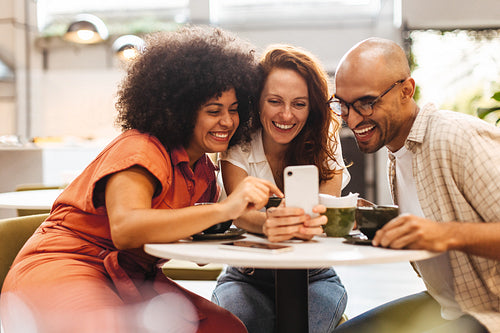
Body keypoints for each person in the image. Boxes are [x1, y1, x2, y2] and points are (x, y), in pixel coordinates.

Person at [0, 26, 283, 333]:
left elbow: (206, 238)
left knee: (226, 327)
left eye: (234, 110)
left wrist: (270, 224)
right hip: (67, 266)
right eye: (214, 110)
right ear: (181, 111)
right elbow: (126, 229)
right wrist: (225, 208)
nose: (227, 122)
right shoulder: (141, 148)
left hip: (133, 279)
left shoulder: (202, 171)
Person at [332, 37, 500, 333]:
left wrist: (447, 234)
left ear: (406, 91)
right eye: (343, 105)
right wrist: (376, 217)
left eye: (367, 103)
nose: (353, 119)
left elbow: (443, 230)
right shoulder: (399, 151)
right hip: (446, 304)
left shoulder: (455, 138)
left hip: (488, 311)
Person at [212, 45, 350, 333]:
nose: (286, 115)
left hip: (314, 276)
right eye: (275, 101)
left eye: (299, 104)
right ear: (257, 102)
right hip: (246, 275)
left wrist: (286, 222)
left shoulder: (327, 141)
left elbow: (324, 208)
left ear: (312, 107)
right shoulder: (239, 143)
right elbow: (240, 213)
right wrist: (269, 224)